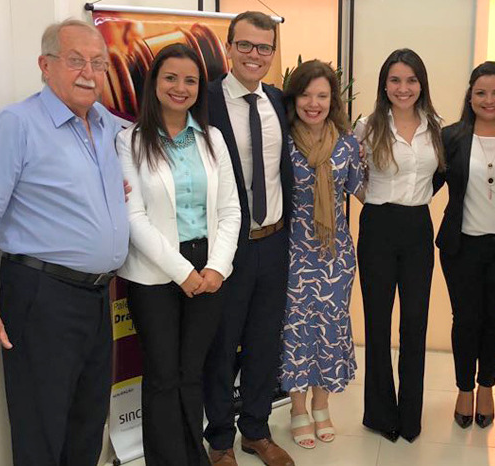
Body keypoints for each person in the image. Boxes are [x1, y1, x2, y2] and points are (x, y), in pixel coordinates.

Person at [0, 19, 129, 466]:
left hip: (97, 296)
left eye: (98, 63)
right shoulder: (17, 124)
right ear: (45, 64)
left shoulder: (109, 126)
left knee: (87, 424)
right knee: (42, 428)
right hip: (41, 296)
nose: (89, 73)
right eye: (76, 61)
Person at [116, 43, 241, 466]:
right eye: (170, 77)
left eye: (190, 80)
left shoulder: (213, 138)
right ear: (154, 82)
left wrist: (217, 267)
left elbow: (230, 209)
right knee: (163, 375)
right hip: (154, 273)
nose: (180, 87)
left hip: (209, 268)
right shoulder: (130, 141)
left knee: (191, 373)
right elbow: (134, 217)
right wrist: (183, 271)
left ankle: (193, 457)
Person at [202, 11, 295, 466]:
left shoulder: (277, 100)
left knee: (264, 343)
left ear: (272, 53)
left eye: (264, 47)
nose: (254, 55)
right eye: (245, 45)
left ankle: (256, 430)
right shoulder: (205, 101)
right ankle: (220, 439)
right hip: (227, 247)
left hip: (274, 242)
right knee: (222, 346)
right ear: (228, 47)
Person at [354, 48, 445, 443]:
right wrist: (373, 200)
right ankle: (380, 414)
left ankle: (410, 417)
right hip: (378, 226)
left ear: (421, 84)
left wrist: (416, 198)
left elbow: (439, 175)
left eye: (411, 80)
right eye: (395, 80)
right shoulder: (367, 126)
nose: (403, 88)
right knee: (377, 323)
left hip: (418, 227)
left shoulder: (436, 127)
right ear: (384, 84)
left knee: (415, 323)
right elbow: (351, 175)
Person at [434, 61, 495, 429]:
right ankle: (464, 389)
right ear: (470, 97)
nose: (489, 100)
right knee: (465, 319)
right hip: (462, 247)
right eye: (481, 93)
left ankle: (486, 386)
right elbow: (425, 182)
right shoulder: (451, 137)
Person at [279, 60, 363, 449]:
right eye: (306, 95)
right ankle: (297, 409)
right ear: (294, 99)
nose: (314, 103)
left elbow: (363, 189)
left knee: (329, 329)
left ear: (333, 101)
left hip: (335, 255)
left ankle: (321, 405)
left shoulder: (347, 144)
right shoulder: (281, 142)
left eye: (322, 96)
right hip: (292, 253)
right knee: (296, 330)